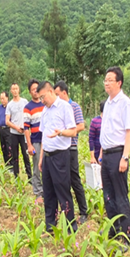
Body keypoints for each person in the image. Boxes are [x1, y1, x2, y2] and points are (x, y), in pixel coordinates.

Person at [99, 66, 130, 246]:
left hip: (118, 154)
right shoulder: (108, 103)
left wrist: (125, 157)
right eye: (105, 80)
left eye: (110, 80)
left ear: (119, 82)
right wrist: (100, 153)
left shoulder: (124, 103)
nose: (106, 83)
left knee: (120, 195)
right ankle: (114, 228)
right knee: (108, 194)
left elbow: (129, 131)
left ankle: (127, 233)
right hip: (106, 155)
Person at [37, 81, 78, 233]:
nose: (42, 101)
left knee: (63, 192)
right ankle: (50, 226)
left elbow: (73, 131)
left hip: (60, 156)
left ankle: (70, 227)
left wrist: (60, 132)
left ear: (50, 92)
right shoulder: (45, 110)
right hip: (47, 156)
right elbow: (43, 136)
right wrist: (41, 158)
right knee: (48, 193)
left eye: (43, 97)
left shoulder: (65, 107)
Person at [54, 80, 88, 224]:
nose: (56, 97)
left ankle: (84, 211)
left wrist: (65, 132)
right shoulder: (57, 108)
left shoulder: (74, 106)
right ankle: (66, 211)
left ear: (64, 93)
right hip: (60, 149)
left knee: (74, 179)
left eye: (57, 94)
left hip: (71, 148)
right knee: (62, 181)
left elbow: (81, 126)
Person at [23, 79, 44, 203]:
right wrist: (29, 145)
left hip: (47, 141)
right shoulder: (28, 108)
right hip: (35, 140)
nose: (35, 91)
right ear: (30, 92)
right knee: (36, 167)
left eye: (37, 89)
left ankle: (47, 192)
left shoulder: (45, 104)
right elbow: (26, 128)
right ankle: (38, 193)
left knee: (46, 167)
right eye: (33, 90)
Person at [6, 83, 32, 180]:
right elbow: (7, 121)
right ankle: (16, 176)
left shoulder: (25, 102)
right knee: (15, 155)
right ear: (11, 91)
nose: (15, 90)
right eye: (13, 89)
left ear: (19, 90)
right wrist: (16, 127)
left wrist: (26, 127)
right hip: (14, 134)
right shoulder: (9, 105)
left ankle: (30, 176)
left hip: (24, 133)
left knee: (26, 155)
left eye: (17, 88)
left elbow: (29, 114)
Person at [0, 91, 12, 168]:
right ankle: (7, 165)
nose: (2, 100)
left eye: (3, 98)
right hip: (1, 130)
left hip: (9, 130)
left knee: (9, 147)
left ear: (7, 98)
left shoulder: (10, 106)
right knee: (3, 147)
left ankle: (12, 165)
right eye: (1, 99)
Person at [89, 100, 105, 164]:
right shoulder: (95, 121)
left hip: (107, 153)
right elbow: (91, 139)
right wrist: (92, 157)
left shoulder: (110, 122)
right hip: (96, 153)